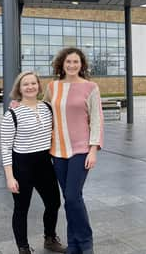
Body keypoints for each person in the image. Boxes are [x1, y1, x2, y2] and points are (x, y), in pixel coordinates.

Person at [45, 47, 104, 254]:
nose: (72, 65)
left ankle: (86, 243)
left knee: (72, 196)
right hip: (58, 151)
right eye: (68, 62)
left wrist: (93, 150)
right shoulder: (53, 87)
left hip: (81, 150)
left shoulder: (91, 87)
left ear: (82, 65)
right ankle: (74, 244)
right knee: (71, 198)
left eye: (76, 62)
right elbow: (44, 111)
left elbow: (96, 120)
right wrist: (22, 106)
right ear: (62, 64)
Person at [0, 71, 67, 254]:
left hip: (45, 163)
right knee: (22, 208)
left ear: (38, 86)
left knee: (53, 203)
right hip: (22, 166)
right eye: (25, 84)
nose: (30, 87)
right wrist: (9, 177)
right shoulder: (12, 114)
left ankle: (50, 238)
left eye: (33, 83)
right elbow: (5, 147)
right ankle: (23, 248)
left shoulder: (47, 107)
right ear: (19, 89)